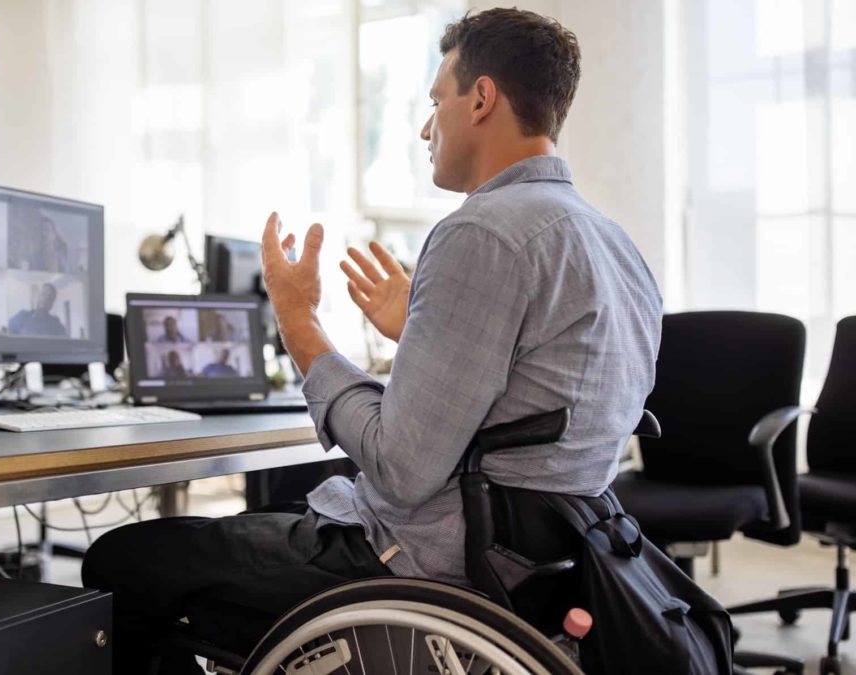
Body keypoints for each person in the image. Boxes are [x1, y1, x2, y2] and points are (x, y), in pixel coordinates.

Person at [82, 9, 663, 674]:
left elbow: (404, 467)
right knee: (258, 515)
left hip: (418, 565)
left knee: (119, 560)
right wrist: (419, 333)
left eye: (436, 101)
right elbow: (536, 413)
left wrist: (299, 323)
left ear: (481, 99)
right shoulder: (616, 246)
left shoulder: (481, 232)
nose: (424, 127)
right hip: (535, 569)